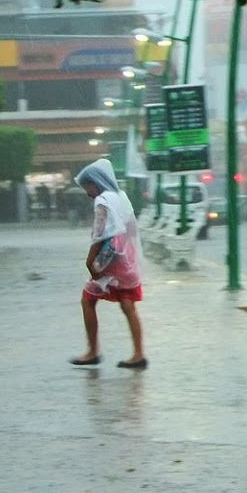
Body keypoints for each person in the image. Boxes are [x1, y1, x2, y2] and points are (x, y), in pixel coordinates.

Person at [70, 158, 148, 370]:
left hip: (109, 259)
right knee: (127, 303)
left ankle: (93, 351)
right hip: (126, 258)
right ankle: (139, 354)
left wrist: (90, 260)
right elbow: (131, 227)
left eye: (88, 187)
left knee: (88, 299)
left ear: (96, 182)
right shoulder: (121, 196)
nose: (87, 192)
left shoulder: (102, 200)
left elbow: (100, 231)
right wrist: (129, 254)